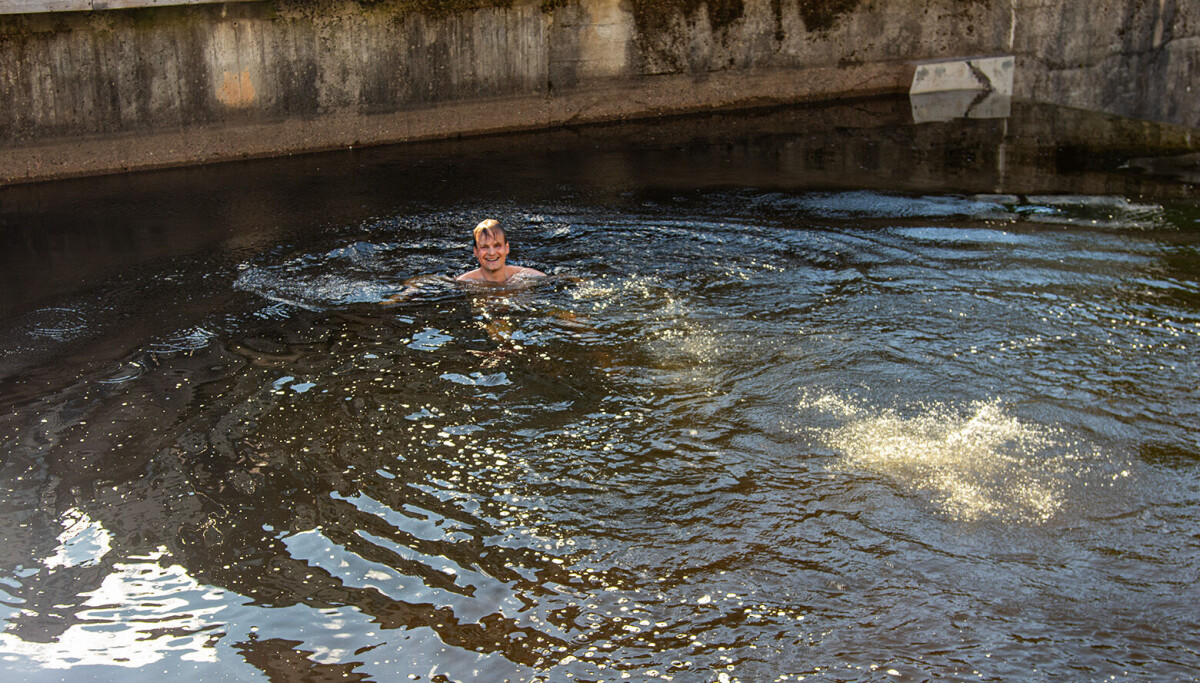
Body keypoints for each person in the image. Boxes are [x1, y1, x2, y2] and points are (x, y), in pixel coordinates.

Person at [456, 219, 545, 284]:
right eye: (484, 247)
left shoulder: (527, 277)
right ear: (475, 251)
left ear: (507, 248)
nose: (491, 253)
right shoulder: (464, 282)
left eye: (497, 246)